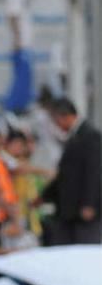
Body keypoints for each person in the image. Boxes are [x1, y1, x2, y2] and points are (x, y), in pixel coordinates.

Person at [41, 98, 102, 244]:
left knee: (84, 251)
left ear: (65, 116)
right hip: (68, 210)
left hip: (84, 210)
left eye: (56, 120)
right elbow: (65, 174)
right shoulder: (74, 137)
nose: (56, 125)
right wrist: (45, 196)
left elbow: (94, 172)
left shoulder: (91, 136)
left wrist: (89, 203)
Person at [4, 0, 41, 113]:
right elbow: (13, 15)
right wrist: (18, 41)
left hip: (23, 43)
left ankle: (19, 106)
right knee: (22, 77)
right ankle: (14, 107)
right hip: (21, 43)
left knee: (24, 76)